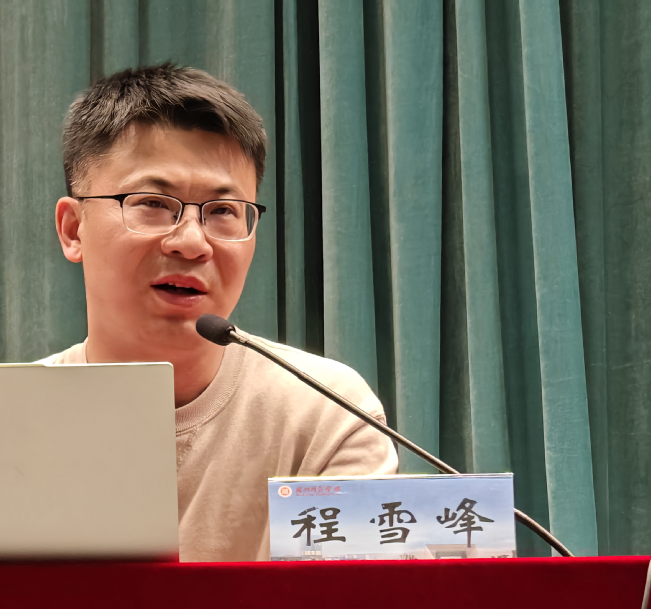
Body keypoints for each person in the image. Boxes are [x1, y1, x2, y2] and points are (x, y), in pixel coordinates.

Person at [42, 64, 398, 561]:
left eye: (224, 211)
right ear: (73, 229)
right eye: (153, 203)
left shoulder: (325, 413)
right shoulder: (2, 424)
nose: (192, 242)